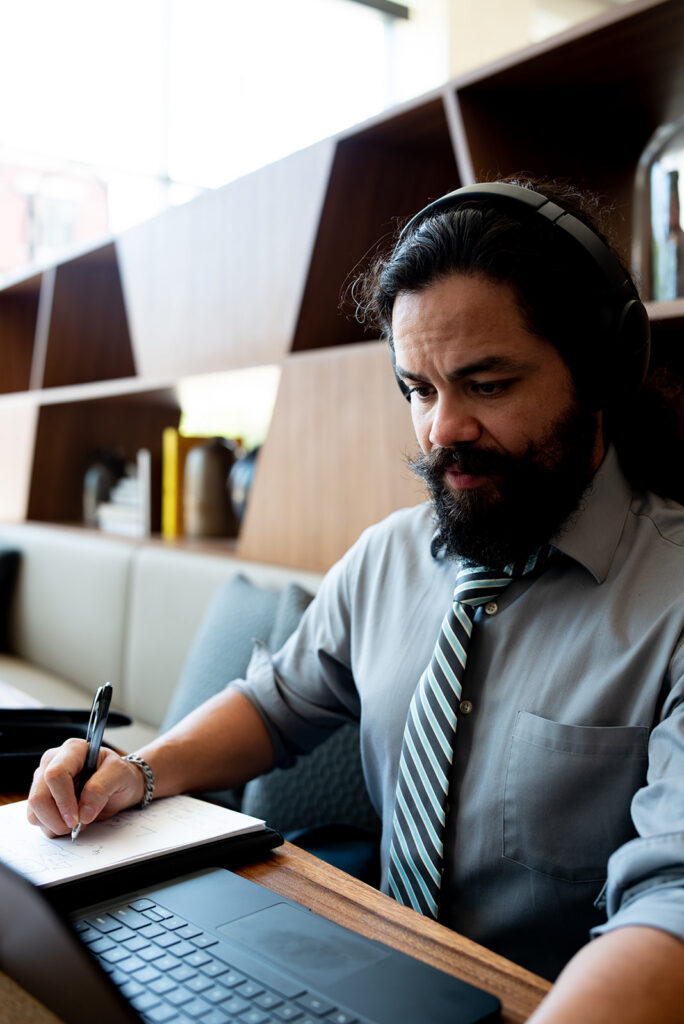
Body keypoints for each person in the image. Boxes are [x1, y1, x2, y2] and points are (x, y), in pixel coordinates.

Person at [28, 179, 684, 1023]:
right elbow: (274, 704)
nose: (442, 427)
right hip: (373, 968)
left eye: (487, 385)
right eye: (418, 388)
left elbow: (671, 906)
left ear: (600, 373)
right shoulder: (389, 557)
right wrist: (138, 773)